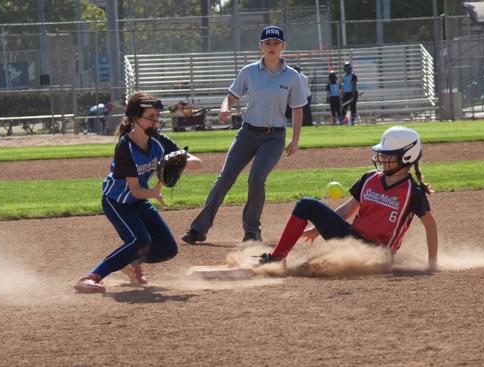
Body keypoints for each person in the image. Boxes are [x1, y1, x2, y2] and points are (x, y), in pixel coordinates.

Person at [181, 25, 307, 245]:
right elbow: (230, 97)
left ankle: (252, 230)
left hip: (274, 137)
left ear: (283, 47)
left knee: (256, 179)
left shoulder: (292, 76)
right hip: (247, 133)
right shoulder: (248, 72)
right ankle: (198, 229)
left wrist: (295, 140)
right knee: (224, 179)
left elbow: (297, 109)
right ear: (260, 46)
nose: (271, 47)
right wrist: (224, 108)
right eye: (267, 43)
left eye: (276, 43)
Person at [258, 126, 438, 271]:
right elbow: (346, 210)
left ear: (407, 156)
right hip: (351, 239)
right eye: (382, 153)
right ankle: (277, 258)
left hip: (377, 254)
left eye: (387, 154)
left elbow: (430, 225)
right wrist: (317, 230)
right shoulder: (369, 178)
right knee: (306, 204)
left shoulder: (412, 191)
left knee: (316, 268)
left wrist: (432, 263)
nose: (382, 158)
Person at [73, 92, 203, 293]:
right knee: (140, 241)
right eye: (151, 116)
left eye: (157, 116)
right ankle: (91, 277)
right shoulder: (125, 147)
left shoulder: (159, 141)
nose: (155, 121)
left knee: (168, 249)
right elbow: (134, 189)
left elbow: (197, 163)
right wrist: (153, 194)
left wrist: (180, 160)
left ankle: (128, 261)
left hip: (140, 199)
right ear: (135, 118)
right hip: (118, 201)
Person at [341, 61, 359, 125]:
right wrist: (343, 95)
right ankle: (344, 121)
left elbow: (354, 85)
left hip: (352, 93)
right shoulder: (345, 76)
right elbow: (344, 85)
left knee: (352, 107)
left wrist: (353, 95)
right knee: (343, 107)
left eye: (347, 68)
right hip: (346, 94)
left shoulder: (353, 75)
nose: (347, 70)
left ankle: (353, 121)